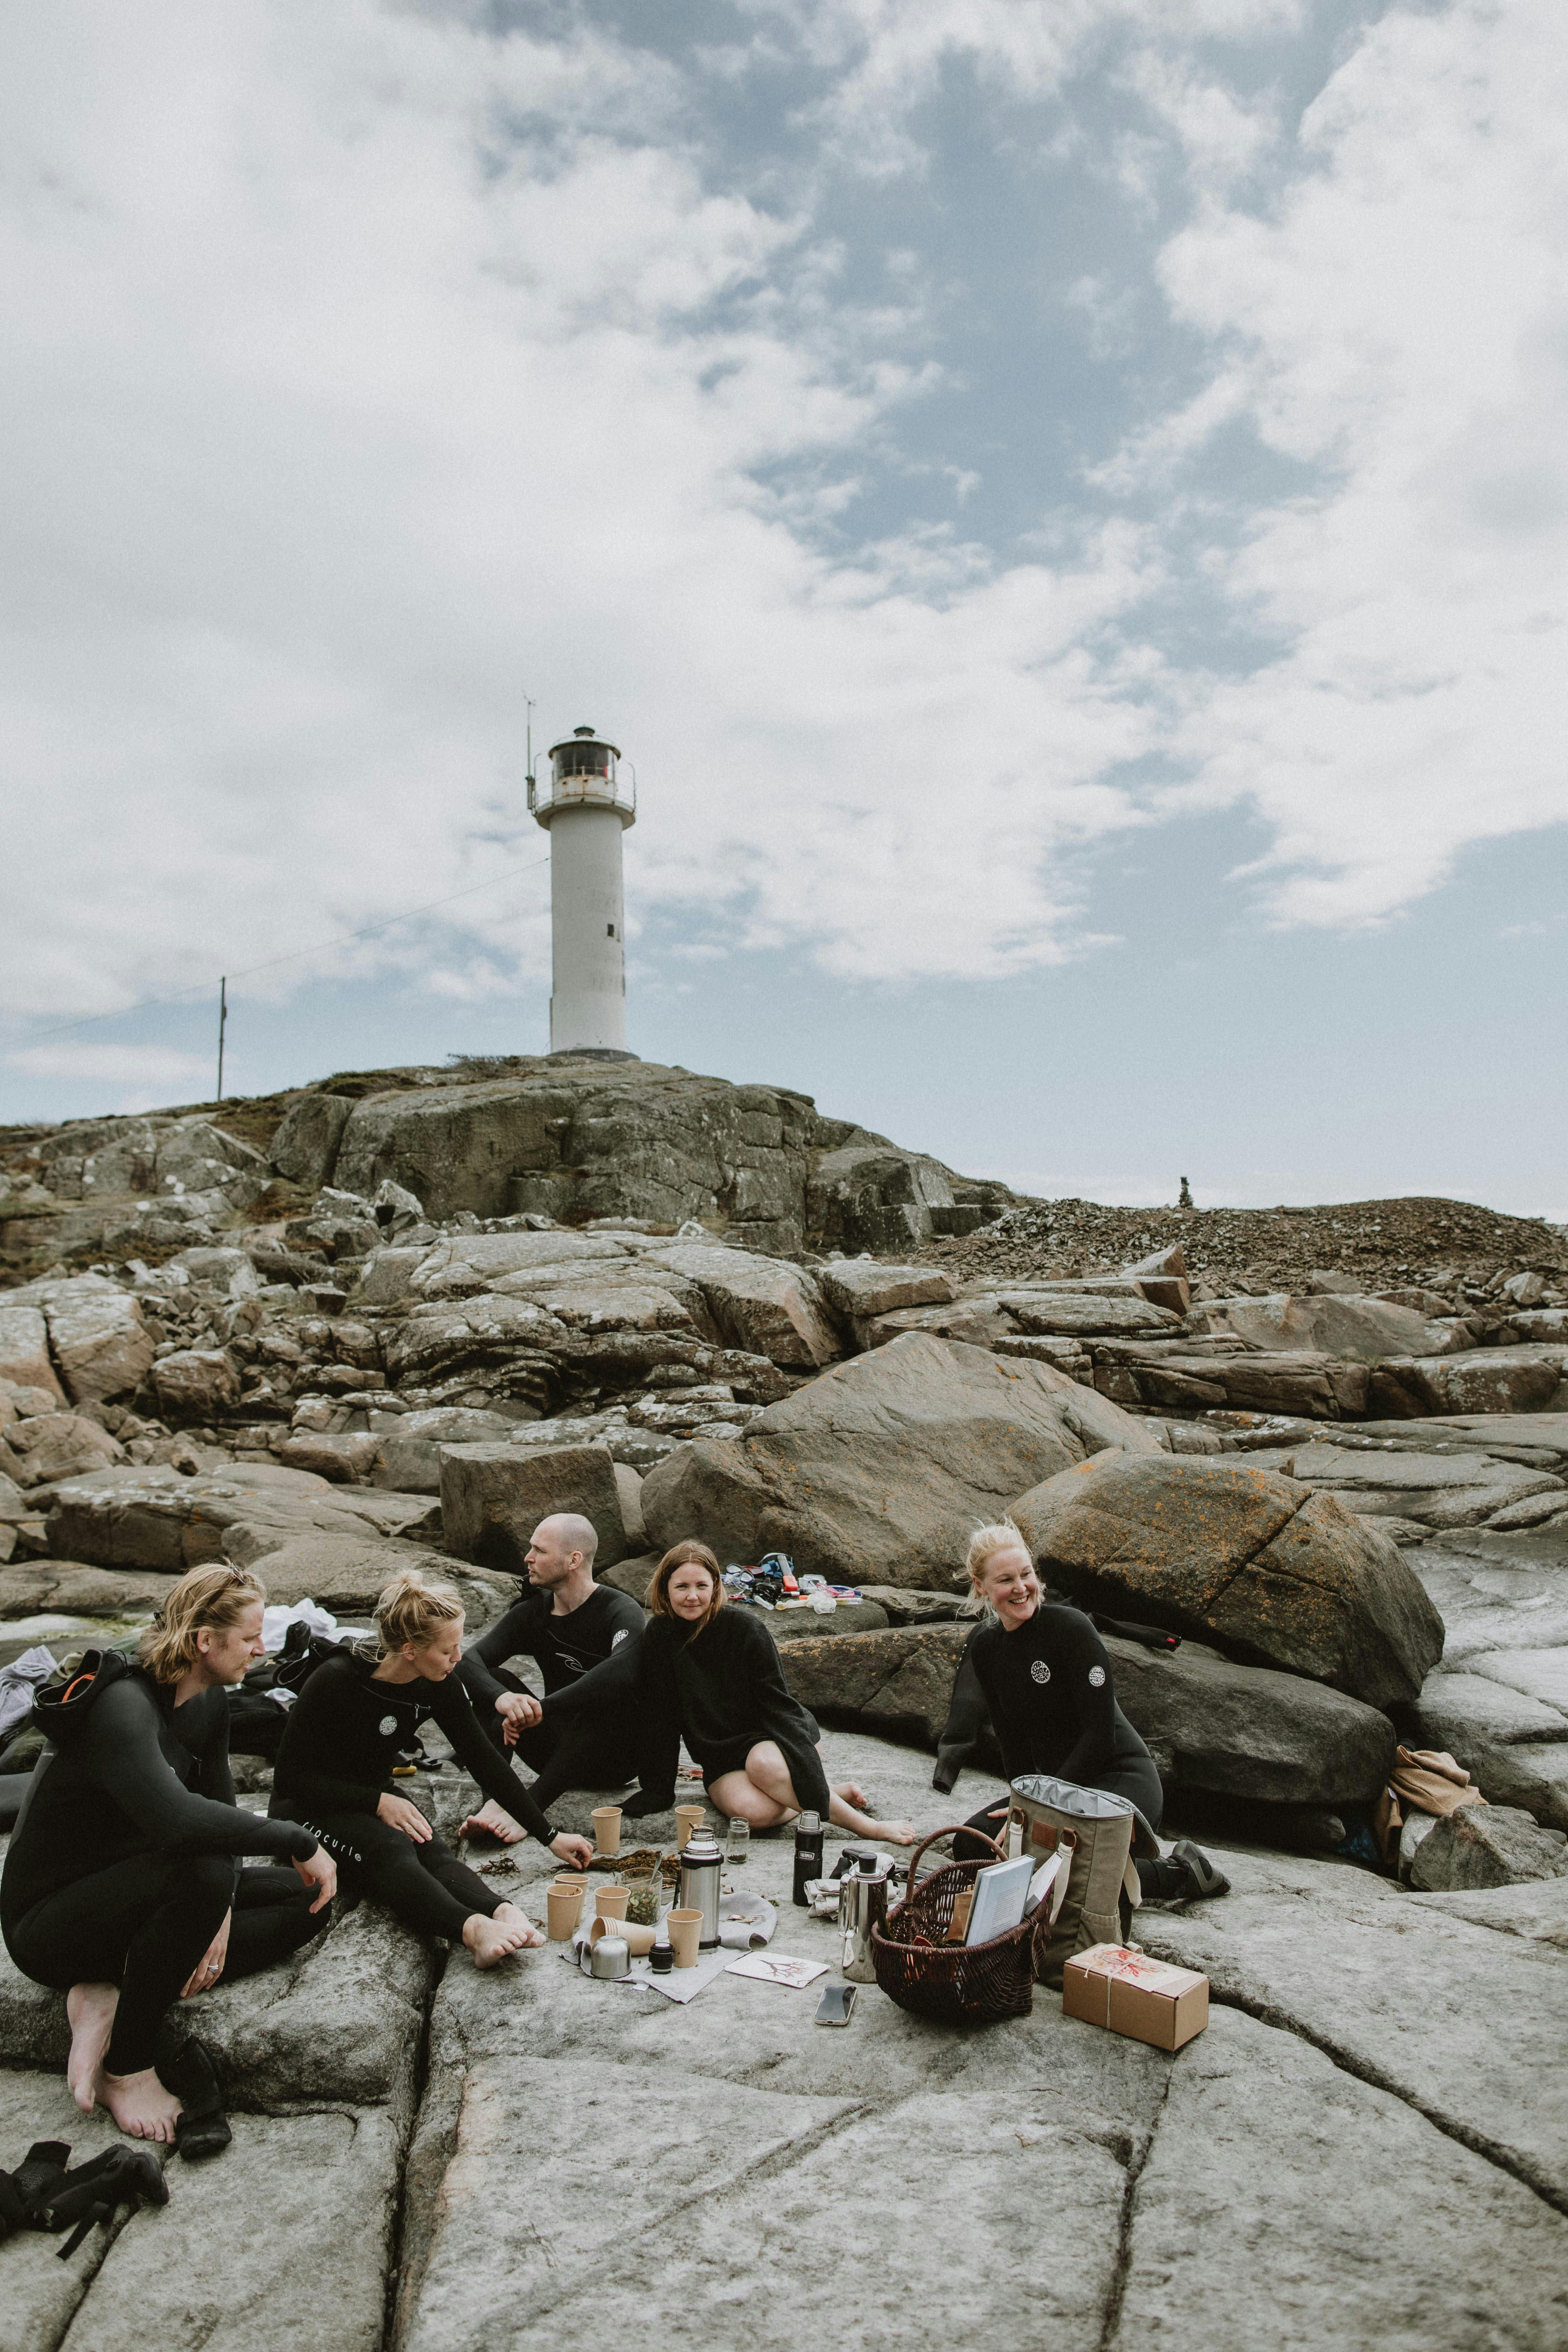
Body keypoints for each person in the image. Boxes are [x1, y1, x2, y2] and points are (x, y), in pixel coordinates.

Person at [1, 1564, 337, 2146]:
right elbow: (180, 1822)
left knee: (308, 1899)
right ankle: (124, 2066)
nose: (264, 1649)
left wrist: (221, 1915)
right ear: (206, 1642)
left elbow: (221, 1810)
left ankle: (105, 1988)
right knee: (206, 1869)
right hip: (49, 1924)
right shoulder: (123, 1706)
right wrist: (299, 1840)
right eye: (251, 1637)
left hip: (131, 1886)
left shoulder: (205, 1702)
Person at [269, 1568, 594, 1965]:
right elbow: (289, 1781)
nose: (458, 1659)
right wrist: (376, 1803)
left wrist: (550, 1836)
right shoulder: (337, 1679)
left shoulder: (438, 1683)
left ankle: (499, 1910)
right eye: (447, 1650)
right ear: (409, 1649)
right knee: (391, 1848)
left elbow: (486, 1763)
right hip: (303, 1810)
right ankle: (472, 1931)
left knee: (431, 1848)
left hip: (370, 1795)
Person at [545, 1540, 918, 1843]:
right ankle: (825, 1792)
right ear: (665, 1589)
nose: (692, 1596)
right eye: (682, 1587)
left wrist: (803, 1763)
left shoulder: (745, 1630)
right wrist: (658, 1789)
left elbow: (780, 1707)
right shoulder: (658, 1637)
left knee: (765, 1766)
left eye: (701, 1586)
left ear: (716, 1588)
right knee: (752, 1815)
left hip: (772, 1736)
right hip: (721, 1755)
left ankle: (858, 1823)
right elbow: (660, 1716)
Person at [947, 1525, 1229, 1903]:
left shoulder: (1070, 1628)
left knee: (1062, 1872)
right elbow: (1011, 1741)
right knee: (972, 1845)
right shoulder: (986, 1646)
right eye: (1006, 1580)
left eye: (1026, 1574)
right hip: (1057, 1788)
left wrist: (1043, 1811)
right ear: (981, 1586)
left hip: (1118, 1781)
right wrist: (1022, 1808)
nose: (1021, 1587)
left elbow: (1100, 1736)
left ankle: (1180, 1873)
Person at [456, 1512, 646, 1840]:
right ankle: (497, 1801)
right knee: (497, 1681)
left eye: (540, 1551)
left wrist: (543, 1708)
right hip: (555, 1754)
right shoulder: (534, 1612)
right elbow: (467, 1660)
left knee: (603, 1698)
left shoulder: (620, 1610)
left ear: (573, 1560)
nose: (528, 1559)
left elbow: (623, 1671)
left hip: (615, 1759)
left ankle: (529, 1811)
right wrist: (507, 1701)